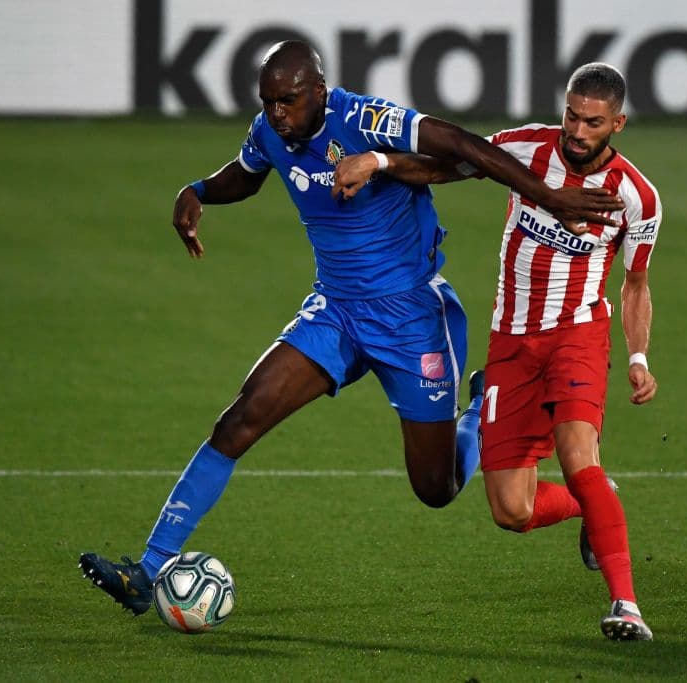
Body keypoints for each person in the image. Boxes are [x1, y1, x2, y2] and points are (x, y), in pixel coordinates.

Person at [78, 41, 622, 616]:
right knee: (240, 419)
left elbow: (462, 145)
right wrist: (200, 191)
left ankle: (475, 422)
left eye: (288, 100)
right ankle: (149, 569)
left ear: (318, 91)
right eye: (267, 102)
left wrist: (548, 196)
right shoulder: (270, 131)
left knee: (435, 488)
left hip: (412, 319)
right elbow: (247, 173)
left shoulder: (365, 119)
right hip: (335, 312)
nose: (276, 113)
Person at [333, 63, 660, 640]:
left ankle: (626, 605)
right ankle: (596, 502)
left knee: (578, 457)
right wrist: (379, 162)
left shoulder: (636, 196)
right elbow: (443, 167)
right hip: (511, 343)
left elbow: (635, 285)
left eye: (592, 122)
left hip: (578, 334)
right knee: (512, 510)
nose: (577, 131)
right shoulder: (523, 147)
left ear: (618, 123)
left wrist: (638, 358)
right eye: (571, 116)